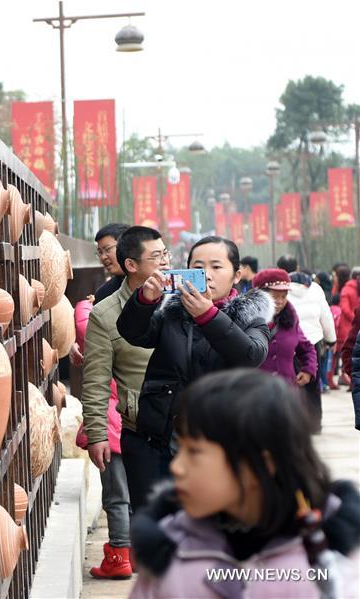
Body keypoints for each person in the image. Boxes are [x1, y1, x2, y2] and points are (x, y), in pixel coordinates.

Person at [129, 370, 360, 598]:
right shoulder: (170, 552)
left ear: (260, 464)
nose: (177, 467)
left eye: (194, 452)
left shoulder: (332, 566)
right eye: (181, 448)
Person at [117, 236, 272, 510]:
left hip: (221, 445)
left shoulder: (251, 317)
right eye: (198, 267)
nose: (207, 275)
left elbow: (250, 355)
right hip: (160, 441)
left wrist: (208, 316)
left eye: (216, 267)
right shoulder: (171, 314)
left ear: (236, 275)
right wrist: (144, 300)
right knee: (158, 528)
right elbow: (132, 332)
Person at [79, 226, 168, 578]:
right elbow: (97, 378)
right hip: (140, 427)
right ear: (131, 265)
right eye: (156, 257)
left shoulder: (184, 300)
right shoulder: (105, 314)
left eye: (166, 255)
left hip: (188, 425)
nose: (165, 262)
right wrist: (98, 433)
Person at [278, 255, 336, 431]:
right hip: (314, 341)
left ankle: (293, 423)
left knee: (289, 382)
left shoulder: (279, 290)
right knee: (312, 383)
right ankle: (314, 423)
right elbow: (325, 316)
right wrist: (331, 339)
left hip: (288, 341)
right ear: (297, 266)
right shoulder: (315, 288)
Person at [69, 223, 129, 367]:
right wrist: (79, 343)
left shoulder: (149, 285)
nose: (103, 257)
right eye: (100, 252)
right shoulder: (104, 293)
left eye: (107, 249)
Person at [252, 268, 317, 389]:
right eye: (274, 296)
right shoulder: (246, 319)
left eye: (284, 296)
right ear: (260, 295)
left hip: (286, 393)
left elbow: (306, 347)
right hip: (255, 393)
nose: (280, 301)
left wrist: (308, 369)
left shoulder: (291, 319)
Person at [337, 267, 360, 386]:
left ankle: (348, 378)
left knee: (348, 350)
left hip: (348, 325)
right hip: (353, 324)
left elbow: (344, 308)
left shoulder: (346, 289)